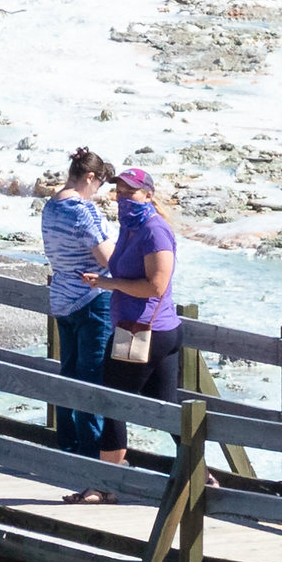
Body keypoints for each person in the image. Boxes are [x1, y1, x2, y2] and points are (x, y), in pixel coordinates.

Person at [36, 146, 122, 452]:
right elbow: (109, 258)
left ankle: (68, 447)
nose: (97, 192)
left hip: (61, 295)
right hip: (91, 299)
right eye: (98, 184)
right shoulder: (83, 211)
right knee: (91, 379)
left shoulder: (51, 206)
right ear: (89, 177)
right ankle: (91, 456)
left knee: (68, 373)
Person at [104, 165, 184, 404]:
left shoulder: (154, 231)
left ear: (148, 195)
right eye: (119, 192)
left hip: (147, 330)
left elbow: (156, 287)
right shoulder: (129, 226)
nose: (123, 198)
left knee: (111, 402)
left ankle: (111, 445)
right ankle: (187, 443)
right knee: (165, 406)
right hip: (138, 326)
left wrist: (110, 284)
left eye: (131, 192)